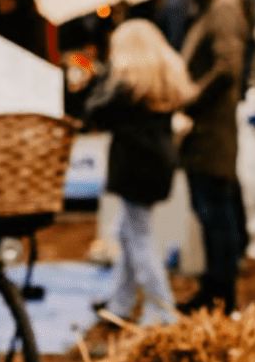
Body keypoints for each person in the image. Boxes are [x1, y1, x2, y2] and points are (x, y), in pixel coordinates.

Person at [84, 19, 196, 326]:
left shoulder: (126, 85)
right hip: (158, 164)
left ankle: (161, 307)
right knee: (129, 231)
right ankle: (121, 303)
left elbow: (94, 112)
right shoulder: (162, 80)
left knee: (140, 238)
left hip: (134, 167)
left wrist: (99, 80)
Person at [172, 0, 254, 314]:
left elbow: (227, 67)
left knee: (215, 213)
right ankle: (214, 289)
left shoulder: (223, 6)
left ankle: (222, 296)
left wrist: (191, 100)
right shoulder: (212, 3)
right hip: (207, 127)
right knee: (209, 213)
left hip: (211, 129)